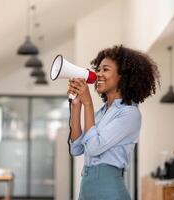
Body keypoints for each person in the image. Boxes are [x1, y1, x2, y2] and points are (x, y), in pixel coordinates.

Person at [67, 45, 160, 200]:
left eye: (105, 69)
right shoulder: (102, 113)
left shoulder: (130, 113)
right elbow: (76, 149)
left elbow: (93, 148)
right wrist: (77, 105)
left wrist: (88, 103)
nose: (98, 74)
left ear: (123, 76)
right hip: (86, 190)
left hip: (109, 191)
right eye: (99, 69)